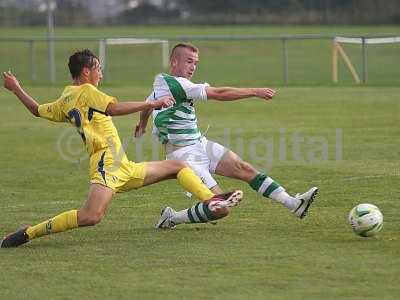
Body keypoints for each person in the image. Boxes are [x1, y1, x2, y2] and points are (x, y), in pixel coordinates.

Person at [0, 49, 243, 248]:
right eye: (98, 69)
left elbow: (37, 110)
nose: (101, 75)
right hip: (106, 163)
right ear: (86, 71)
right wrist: (153, 102)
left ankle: (212, 201)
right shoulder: (87, 91)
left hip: (121, 165)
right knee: (91, 216)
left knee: (179, 166)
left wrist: (16, 88)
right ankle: (28, 233)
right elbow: (114, 108)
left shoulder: (65, 99)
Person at [135, 43, 318, 229]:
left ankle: (294, 204)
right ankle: (172, 217)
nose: (193, 67)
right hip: (183, 157)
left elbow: (148, 104)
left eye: (196, 63)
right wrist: (254, 91)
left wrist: (142, 125)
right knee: (220, 208)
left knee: (244, 168)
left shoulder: (165, 86)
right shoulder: (177, 84)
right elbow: (219, 93)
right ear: (174, 61)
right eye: (189, 61)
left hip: (200, 144)